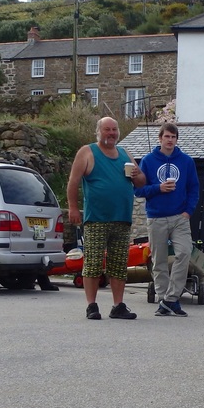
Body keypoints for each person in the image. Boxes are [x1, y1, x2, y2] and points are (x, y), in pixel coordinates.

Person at [66, 117, 146, 320]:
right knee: (92, 263)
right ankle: (91, 306)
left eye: (114, 129)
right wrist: (73, 208)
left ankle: (118, 305)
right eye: (107, 129)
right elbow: (73, 182)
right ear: (99, 132)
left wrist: (137, 174)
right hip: (97, 218)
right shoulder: (87, 151)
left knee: (119, 265)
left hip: (122, 219)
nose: (111, 133)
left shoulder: (124, 153)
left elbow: (141, 183)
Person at [134, 123, 200, 317]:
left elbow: (193, 188)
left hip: (180, 217)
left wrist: (188, 212)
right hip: (156, 217)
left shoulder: (187, 161)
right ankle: (164, 299)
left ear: (176, 139)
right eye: (167, 136)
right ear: (160, 138)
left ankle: (171, 298)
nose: (170, 140)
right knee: (159, 260)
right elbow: (138, 190)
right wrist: (158, 188)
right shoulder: (147, 161)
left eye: (173, 137)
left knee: (184, 253)